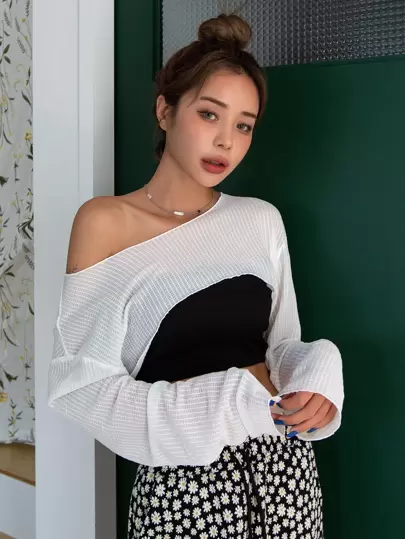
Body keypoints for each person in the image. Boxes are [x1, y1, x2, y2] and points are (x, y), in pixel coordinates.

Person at [48, 13, 344, 539]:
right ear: (165, 110)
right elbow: (82, 386)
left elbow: (281, 347)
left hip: (287, 474)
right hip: (182, 489)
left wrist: (319, 375)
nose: (226, 141)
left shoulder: (259, 220)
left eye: (244, 125)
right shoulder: (105, 222)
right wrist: (229, 400)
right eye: (209, 114)